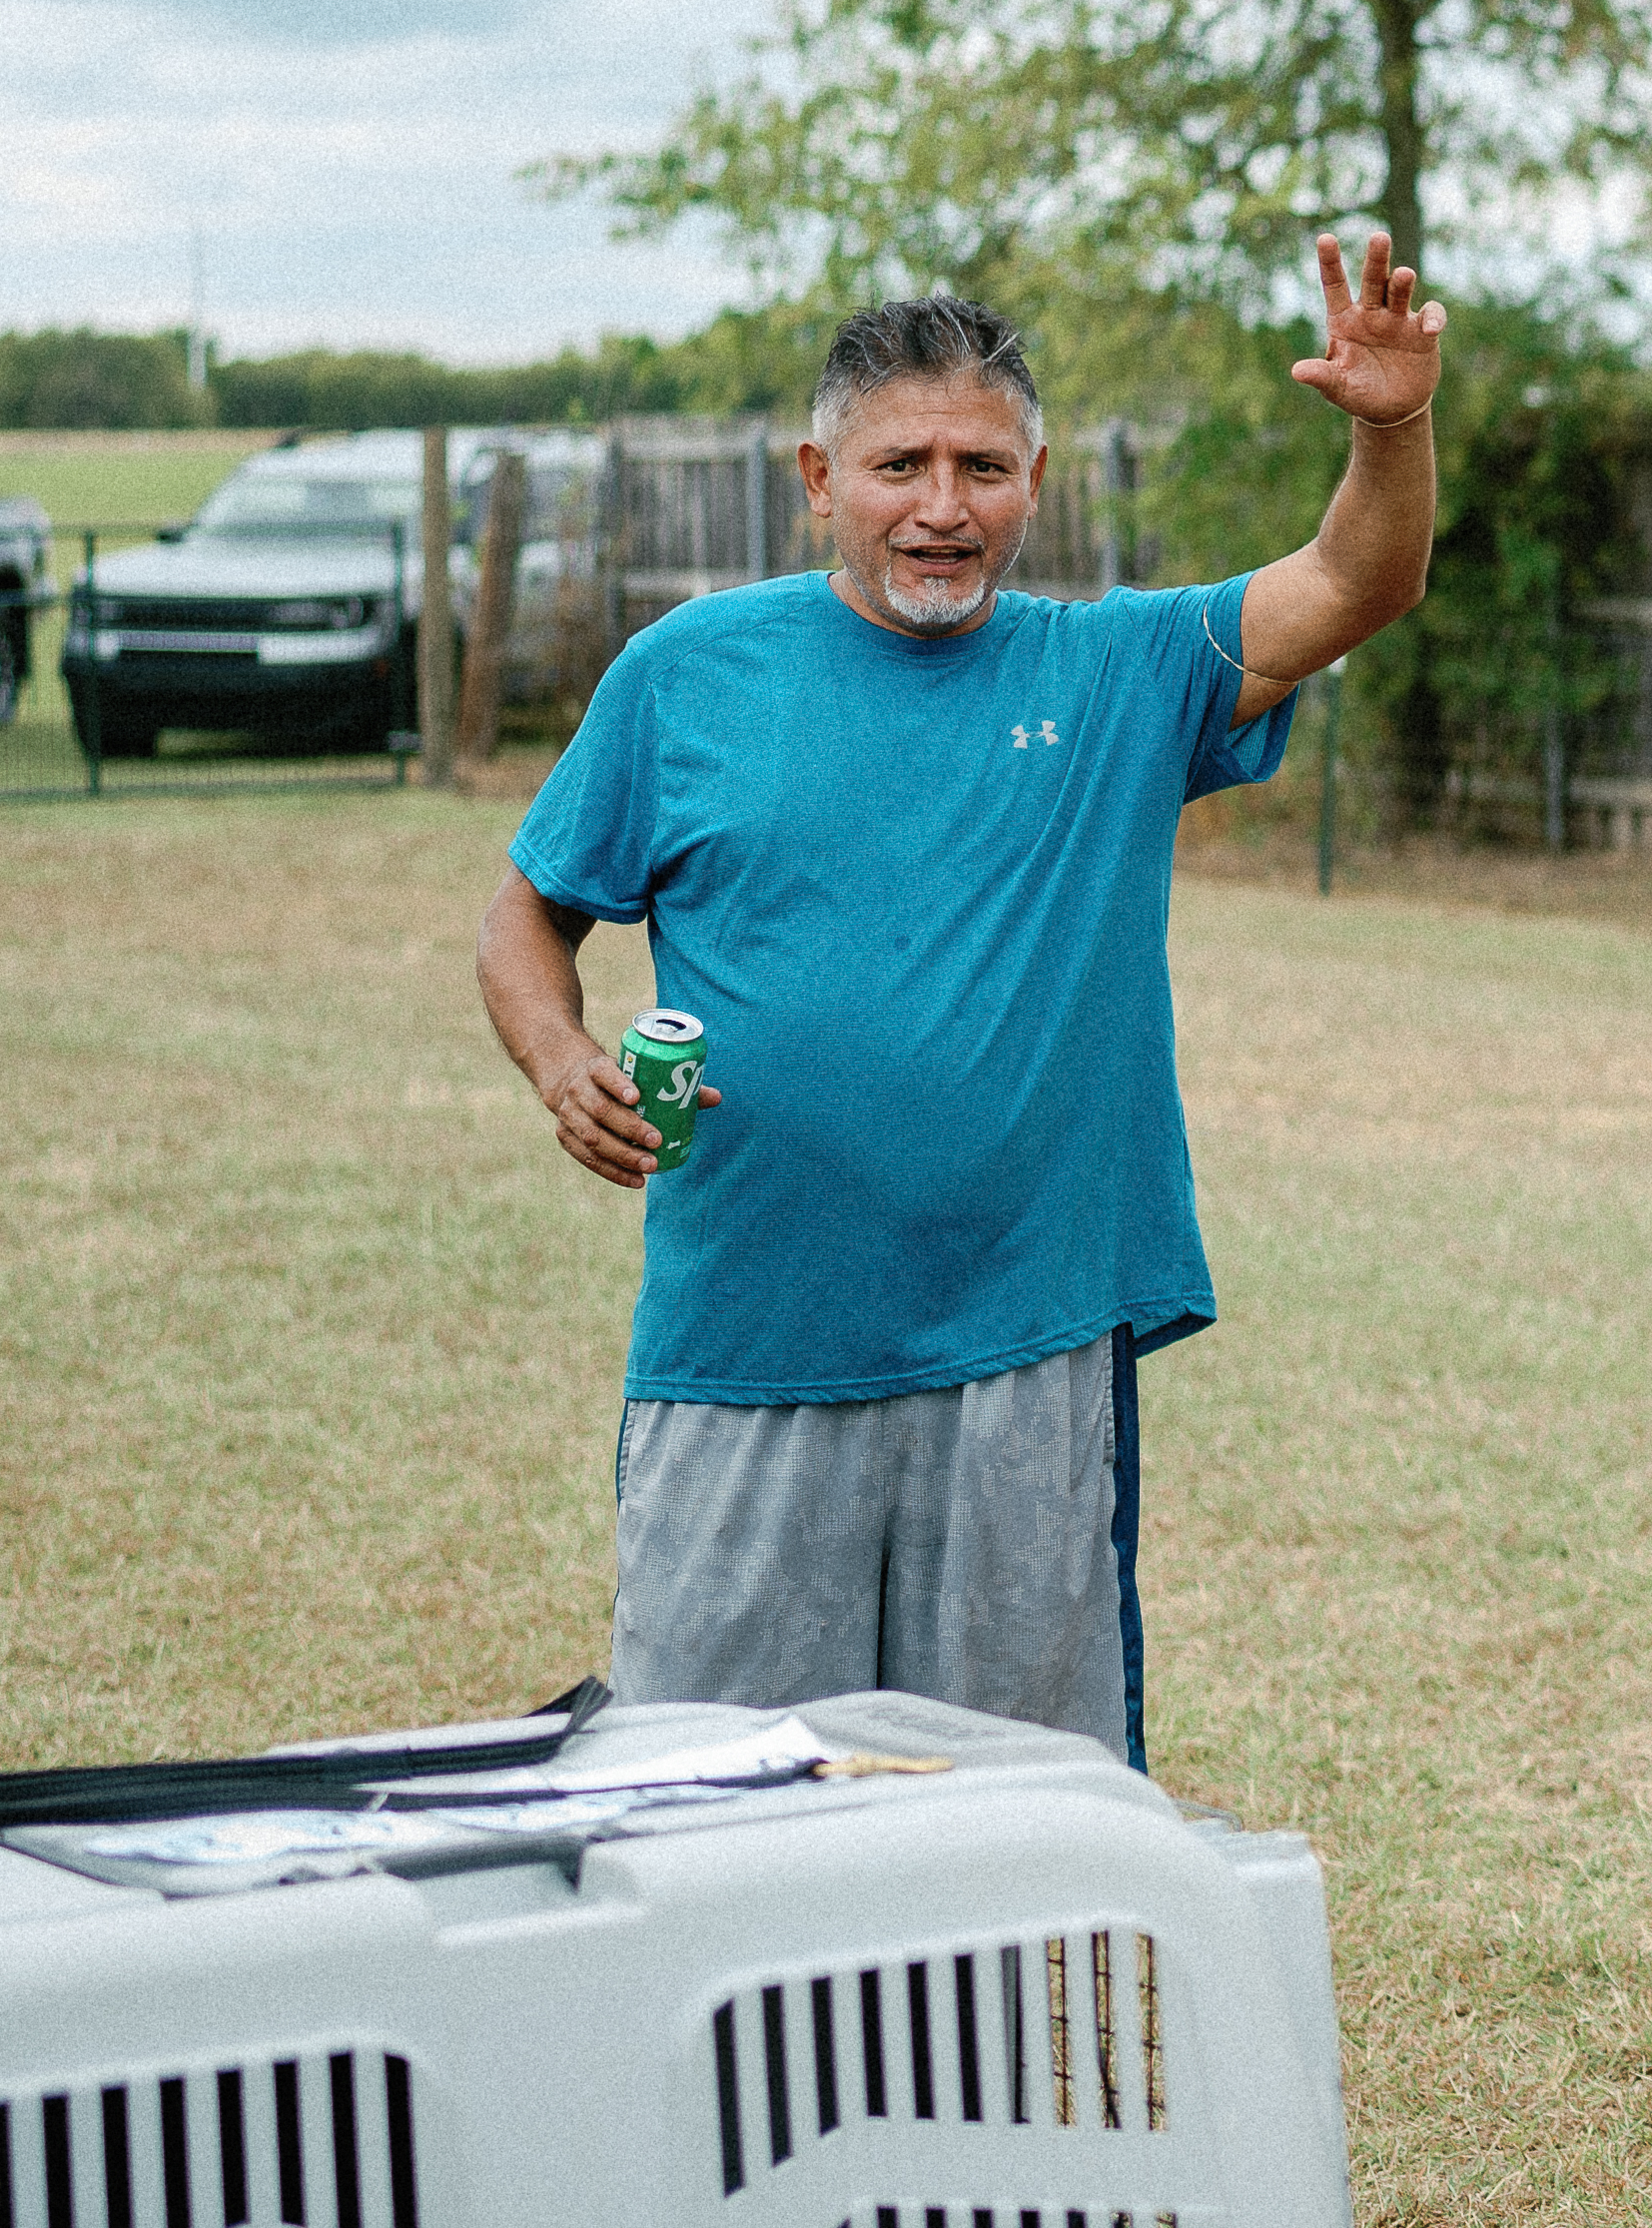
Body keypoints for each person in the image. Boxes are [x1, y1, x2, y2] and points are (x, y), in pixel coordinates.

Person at [476, 242, 1444, 1758]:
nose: (943, 507)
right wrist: (555, 1056)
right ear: (818, 475)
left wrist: (1389, 430)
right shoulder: (688, 674)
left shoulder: (1120, 672)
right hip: (745, 1345)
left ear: (1036, 483)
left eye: (983, 466)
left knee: (1002, 1820)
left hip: (1026, 1356)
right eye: (900, 464)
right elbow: (530, 912)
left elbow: (1355, 581)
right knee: (713, 1793)